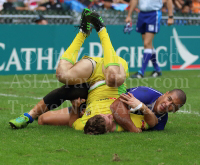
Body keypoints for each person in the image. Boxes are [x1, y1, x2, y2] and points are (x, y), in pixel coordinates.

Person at [9, 8, 129, 130]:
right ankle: (101, 29)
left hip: (91, 87)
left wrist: (77, 109)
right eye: (109, 119)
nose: (108, 116)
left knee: (62, 75)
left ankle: (83, 31)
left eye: (106, 118)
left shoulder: (86, 123)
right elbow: (147, 117)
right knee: (112, 79)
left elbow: (73, 124)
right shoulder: (124, 121)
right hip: (113, 67)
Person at [84, 86, 186, 135]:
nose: (167, 104)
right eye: (169, 99)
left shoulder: (161, 122)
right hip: (104, 100)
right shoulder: (145, 94)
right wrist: (132, 128)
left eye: (173, 105)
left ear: (175, 110)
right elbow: (115, 106)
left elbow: (151, 124)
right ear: (165, 93)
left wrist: (142, 107)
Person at [125, 0, 174, 78]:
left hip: (153, 14)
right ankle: (157, 69)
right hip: (142, 14)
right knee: (148, 45)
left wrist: (170, 16)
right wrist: (129, 15)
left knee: (147, 43)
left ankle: (141, 72)